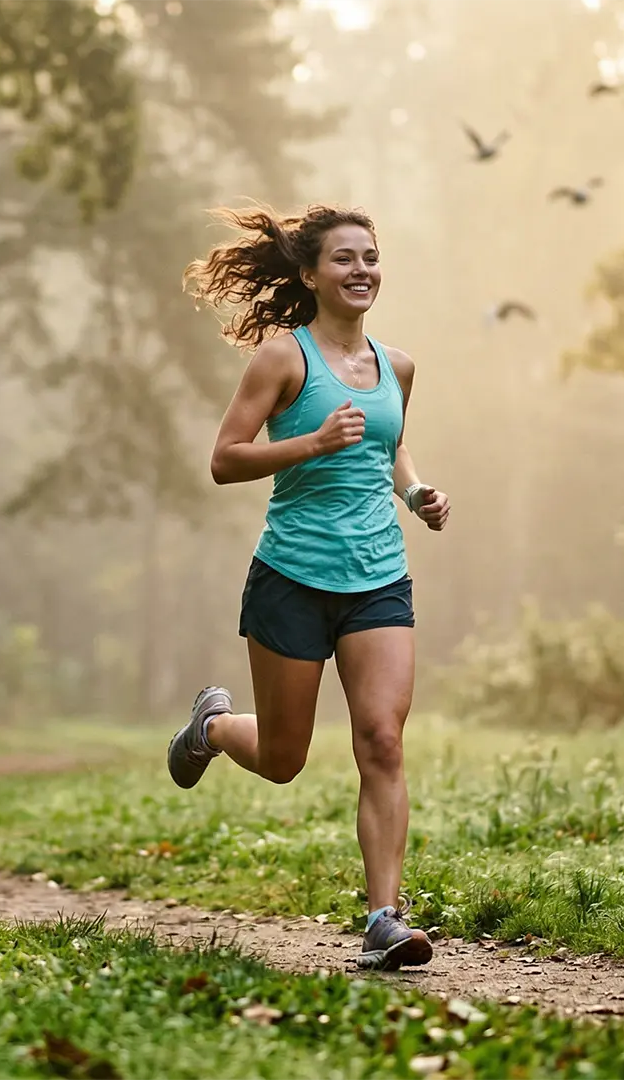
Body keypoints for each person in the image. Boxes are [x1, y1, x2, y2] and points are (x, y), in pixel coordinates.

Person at [167, 203, 450, 972]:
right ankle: (215, 727)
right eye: (343, 259)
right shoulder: (282, 359)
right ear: (309, 274)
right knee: (286, 756)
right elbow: (226, 459)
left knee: (383, 741)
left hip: (378, 579)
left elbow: (388, 447)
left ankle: (385, 919)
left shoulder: (400, 366)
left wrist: (417, 493)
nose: (361, 270)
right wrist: (308, 443)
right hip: (292, 576)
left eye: (371, 257)